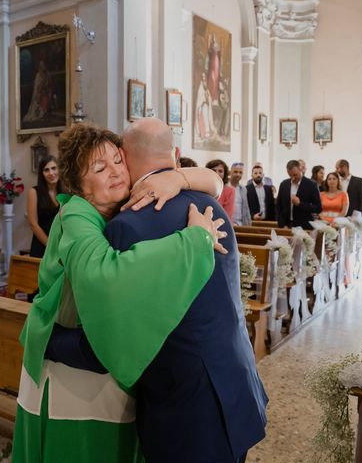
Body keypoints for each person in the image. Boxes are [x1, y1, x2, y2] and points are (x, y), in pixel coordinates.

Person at [12, 123, 227, 463]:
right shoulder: (76, 214)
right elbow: (104, 277)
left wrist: (177, 178)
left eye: (117, 161)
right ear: (79, 185)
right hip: (71, 372)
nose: (114, 172)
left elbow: (214, 181)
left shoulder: (120, 203)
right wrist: (194, 241)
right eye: (99, 168)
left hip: (99, 356)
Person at [105, 118, 268, 462]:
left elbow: (124, 322)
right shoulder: (213, 206)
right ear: (176, 155)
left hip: (184, 402)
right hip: (236, 380)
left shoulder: (125, 225)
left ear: (124, 156)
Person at [26, 155, 63, 258]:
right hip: (42, 246)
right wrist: (51, 246)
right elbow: (33, 224)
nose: (51, 173)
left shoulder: (66, 192)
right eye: (46, 170)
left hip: (62, 245)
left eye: (54, 168)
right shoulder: (34, 192)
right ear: (42, 174)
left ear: (59, 170)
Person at [276, 159, 322, 229]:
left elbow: (318, 208)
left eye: (295, 175)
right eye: (290, 175)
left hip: (304, 226)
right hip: (286, 226)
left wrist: (300, 204)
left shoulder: (312, 185)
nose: (293, 178)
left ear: (300, 169)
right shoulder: (284, 184)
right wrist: (282, 224)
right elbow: (278, 206)